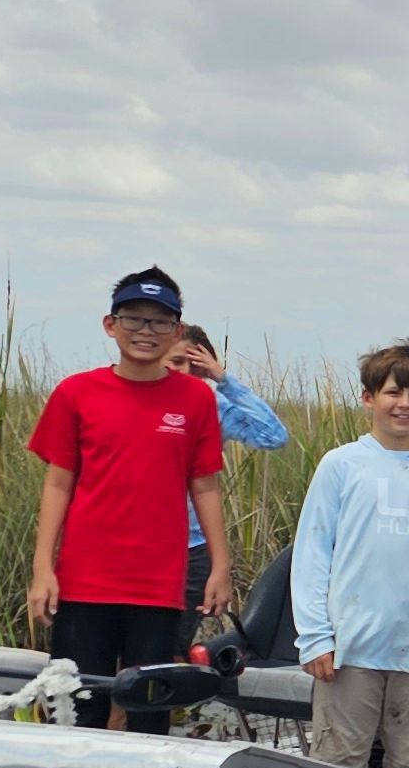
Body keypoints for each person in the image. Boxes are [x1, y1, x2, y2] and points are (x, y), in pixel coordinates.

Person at [24, 266, 235, 731]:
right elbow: (58, 483)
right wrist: (43, 570)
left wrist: (220, 566)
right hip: (84, 581)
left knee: (148, 711)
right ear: (110, 325)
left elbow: (205, 485)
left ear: (176, 330)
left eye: (160, 322)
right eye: (134, 319)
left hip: (158, 584)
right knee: (80, 707)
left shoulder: (196, 399)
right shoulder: (76, 393)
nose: (147, 331)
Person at [291, 340, 409, 768]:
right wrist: (315, 637)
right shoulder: (341, 465)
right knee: (339, 763)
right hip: (350, 647)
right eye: (393, 393)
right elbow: (313, 554)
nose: (404, 405)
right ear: (369, 397)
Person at [172, 322, 292, 617]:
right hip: (141, 544)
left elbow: (272, 436)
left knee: (173, 647)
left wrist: (223, 379)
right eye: (176, 362)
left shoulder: (211, 405)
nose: (184, 372)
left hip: (193, 547)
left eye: (194, 364)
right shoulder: (136, 402)